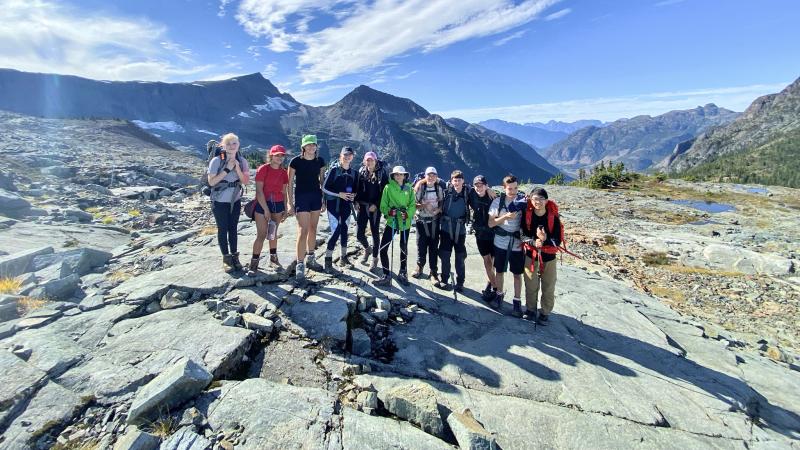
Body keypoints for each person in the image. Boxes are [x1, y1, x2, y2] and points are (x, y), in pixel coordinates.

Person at [207, 133, 250, 272]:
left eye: (234, 143)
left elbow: (245, 181)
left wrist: (236, 167)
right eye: (228, 143)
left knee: (233, 228)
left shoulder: (242, 161)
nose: (231, 146)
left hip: (235, 200)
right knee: (222, 228)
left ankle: (235, 257)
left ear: (238, 145)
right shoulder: (216, 161)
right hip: (219, 201)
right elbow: (211, 181)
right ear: (223, 146)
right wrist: (227, 169)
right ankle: (226, 259)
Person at [287, 134, 326, 282]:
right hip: (302, 197)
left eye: (313, 145)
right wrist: (290, 203)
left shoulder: (320, 161)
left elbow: (322, 181)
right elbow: (290, 184)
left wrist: (323, 200)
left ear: (316, 146)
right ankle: (300, 264)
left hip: (316, 197)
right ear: (303, 147)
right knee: (302, 230)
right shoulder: (295, 161)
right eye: (308, 145)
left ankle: (311, 257)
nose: (311, 147)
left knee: (313, 228)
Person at [521, 187, 562, 325]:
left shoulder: (553, 218)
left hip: (548, 257)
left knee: (548, 286)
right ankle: (531, 310)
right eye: (535, 199)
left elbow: (558, 239)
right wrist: (534, 241)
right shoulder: (528, 215)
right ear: (530, 200)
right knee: (530, 284)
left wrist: (544, 240)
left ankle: (544, 312)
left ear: (546, 200)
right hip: (531, 255)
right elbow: (522, 235)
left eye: (541, 199)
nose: (537, 202)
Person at [488, 175, 527, 316]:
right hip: (500, 242)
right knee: (499, 271)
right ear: (504, 188)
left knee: (517, 273)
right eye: (510, 188)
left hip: (517, 243)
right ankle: (499, 295)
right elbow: (491, 223)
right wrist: (505, 217)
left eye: (516, 188)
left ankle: (517, 302)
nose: (513, 191)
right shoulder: (498, 202)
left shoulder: (522, 202)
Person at [248, 145, 290, 275]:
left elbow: (284, 192)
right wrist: (266, 209)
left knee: (273, 233)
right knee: (261, 234)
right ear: (271, 155)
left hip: (277, 204)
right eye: (277, 155)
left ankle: (273, 258)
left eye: (282, 155)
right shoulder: (263, 169)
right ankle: (254, 263)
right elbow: (259, 191)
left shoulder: (284, 172)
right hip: (262, 204)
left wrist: (285, 208)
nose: (280, 157)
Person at [373, 166, 416, 287]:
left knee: (403, 247)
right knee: (383, 248)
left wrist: (407, 213)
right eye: (396, 174)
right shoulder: (388, 187)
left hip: (403, 220)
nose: (399, 176)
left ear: (405, 176)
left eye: (401, 174)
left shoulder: (410, 188)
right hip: (394, 220)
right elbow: (383, 205)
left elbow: (413, 204)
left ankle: (402, 272)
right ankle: (386, 274)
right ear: (393, 176)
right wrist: (388, 211)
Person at [322, 146, 360, 272]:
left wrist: (354, 196)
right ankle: (328, 260)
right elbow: (324, 188)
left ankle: (343, 257)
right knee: (336, 230)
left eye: (350, 155)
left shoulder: (354, 173)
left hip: (346, 205)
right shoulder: (334, 170)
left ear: (352, 157)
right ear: (340, 156)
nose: (347, 157)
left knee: (344, 229)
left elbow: (355, 190)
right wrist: (340, 194)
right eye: (345, 155)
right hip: (333, 204)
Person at [436, 170, 470, 292]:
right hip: (446, 228)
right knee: (445, 254)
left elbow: (480, 192)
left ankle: (460, 282)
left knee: (460, 256)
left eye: (459, 180)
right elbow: (430, 178)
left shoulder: (468, 192)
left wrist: (488, 189)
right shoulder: (446, 190)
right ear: (451, 181)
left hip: (460, 229)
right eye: (455, 180)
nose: (457, 182)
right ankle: (444, 279)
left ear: (463, 181)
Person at [355, 151, 388, 271]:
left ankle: (374, 259)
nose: (369, 162)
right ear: (364, 161)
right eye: (367, 160)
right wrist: (356, 201)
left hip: (375, 208)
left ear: (376, 161)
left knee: (374, 233)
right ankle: (367, 249)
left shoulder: (382, 174)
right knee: (359, 234)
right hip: (363, 206)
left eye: (371, 160)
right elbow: (357, 188)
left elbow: (385, 192)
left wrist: (376, 204)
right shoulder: (361, 172)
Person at [467, 175, 498, 301]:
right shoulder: (471, 195)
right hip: (480, 234)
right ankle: (495, 287)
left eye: (482, 185)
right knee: (487, 262)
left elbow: (509, 195)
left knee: (493, 262)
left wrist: (491, 190)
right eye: (476, 185)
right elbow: (456, 185)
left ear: (486, 185)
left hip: (494, 233)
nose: (479, 187)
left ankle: (491, 285)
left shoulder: (493, 196)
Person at [412, 167, 444, 282]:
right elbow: (413, 204)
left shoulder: (439, 187)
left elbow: (442, 202)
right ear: (425, 176)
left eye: (433, 175)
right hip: (421, 220)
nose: (431, 177)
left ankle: (433, 271)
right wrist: (424, 205)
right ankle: (420, 266)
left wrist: (438, 210)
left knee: (433, 246)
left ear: (436, 176)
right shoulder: (420, 187)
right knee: (421, 244)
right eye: (429, 175)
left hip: (434, 221)